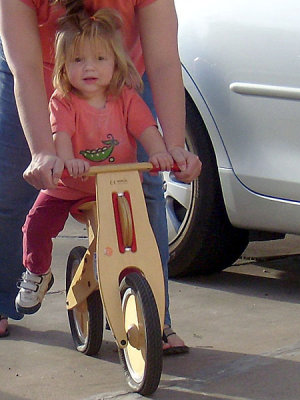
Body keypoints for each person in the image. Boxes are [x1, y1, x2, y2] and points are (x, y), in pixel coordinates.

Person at [0, 0, 201, 353]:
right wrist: (43, 151)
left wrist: (174, 147)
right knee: (11, 187)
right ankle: (6, 293)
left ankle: (154, 318)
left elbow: (165, 63)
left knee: (145, 189)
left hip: (118, 74)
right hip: (42, 70)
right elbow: (27, 70)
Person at [16, 7, 174, 315]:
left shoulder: (126, 97)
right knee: (36, 224)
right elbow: (61, 135)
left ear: (116, 62)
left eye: (100, 59)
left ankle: (143, 296)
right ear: (64, 65)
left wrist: (159, 152)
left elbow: (146, 128)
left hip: (117, 186)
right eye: (78, 60)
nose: (90, 67)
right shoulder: (62, 101)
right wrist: (66, 160)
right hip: (70, 186)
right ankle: (37, 271)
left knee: (138, 234)